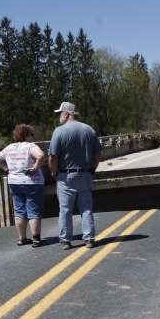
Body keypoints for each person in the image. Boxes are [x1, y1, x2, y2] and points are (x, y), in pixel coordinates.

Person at [48, 101, 102, 250]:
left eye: (60, 114)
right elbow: (98, 155)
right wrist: (92, 169)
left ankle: (65, 240)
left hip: (66, 176)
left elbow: (53, 156)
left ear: (66, 114)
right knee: (86, 208)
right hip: (85, 174)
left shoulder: (59, 131)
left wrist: (54, 171)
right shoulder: (89, 130)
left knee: (65, 210)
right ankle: (89, 239)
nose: (59, 117)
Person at [0, 124, 46, 247]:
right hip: (32, 182)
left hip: (14, 182)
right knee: (33, 210)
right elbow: (41, 156)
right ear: (27, 135)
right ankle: (36, 239)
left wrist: (6, 169)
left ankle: (21, 239)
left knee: (19, 211)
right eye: (32, 134)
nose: (33, 137)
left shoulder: (9, 147)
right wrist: (35, 168)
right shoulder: (30, 146)